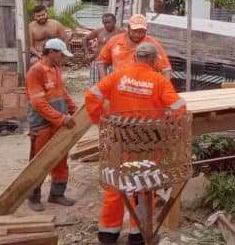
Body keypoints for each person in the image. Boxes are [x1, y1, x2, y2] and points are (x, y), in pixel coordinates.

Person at [85, 43, 187, 245]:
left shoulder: (117, 76)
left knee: (116, 185)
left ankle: (108, 234)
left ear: (135, 57)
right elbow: (178, 108)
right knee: (142, 186)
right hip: (146, 145)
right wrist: (166, 126)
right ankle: (137, 235)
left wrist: (101, 119)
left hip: (118, 142)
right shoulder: (159, 81)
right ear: (154, 60)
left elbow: (91, 95)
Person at [25, 38, 78, 212]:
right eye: (62, 55)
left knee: (60, 158)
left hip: (57, 122)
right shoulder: (36, 71)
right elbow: (39, 103)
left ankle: (57, 194)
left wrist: (74, 110)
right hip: (41, 124)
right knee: (39, 161)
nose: (64, 58)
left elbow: (63, 93)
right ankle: (33, 196)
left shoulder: (56, 69)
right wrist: (62, 118)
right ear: (53, 52)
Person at [98, 14, 171, 80]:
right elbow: (101, 61)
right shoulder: (115, 41)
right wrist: (104, 81)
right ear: (128, 28)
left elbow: (166, 69)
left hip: (143, 86)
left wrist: (164, 90)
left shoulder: (153, 45)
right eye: (134, 31)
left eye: (141, 32)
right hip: (119, 85)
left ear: (146, 30)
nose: (137, 35)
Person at [85, 13, 122, 85]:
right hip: (98, 62)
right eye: (105, 23)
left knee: (111, 85)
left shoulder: (120, 32)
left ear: (115, 21)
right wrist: (87, 53)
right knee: (95, 85)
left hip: (113, 63)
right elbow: (85, 39)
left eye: (109, 22)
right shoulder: (99, 31)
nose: (107, 25)